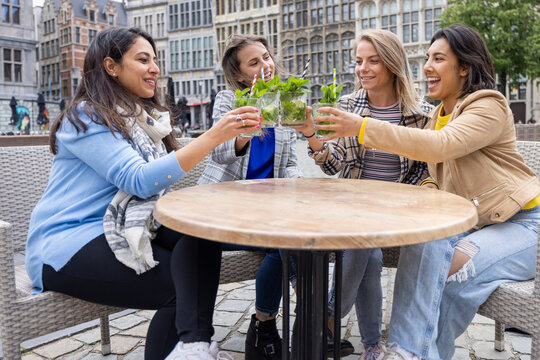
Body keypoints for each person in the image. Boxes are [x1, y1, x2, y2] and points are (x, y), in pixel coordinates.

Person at [26, 27, 261, 360]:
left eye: (155, 60)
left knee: (198, 229)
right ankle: (193, 345)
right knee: (179, 288)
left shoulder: (140, 121)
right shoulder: (86, 115)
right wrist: (213, 136)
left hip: (124, 228)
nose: (155, 68)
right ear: (111, 66)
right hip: (68, 242)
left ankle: (193, 346)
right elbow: (138, 180)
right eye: (143, 59)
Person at [314, 24, 540, 360]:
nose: (427, 67)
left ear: (464, 67)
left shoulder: (488, 104)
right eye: (427, 59)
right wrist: (426, 188)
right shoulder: (438, 115)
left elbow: (440, 148)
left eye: (438, 59)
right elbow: (435, 175)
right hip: (478, 226)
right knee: (429, 245)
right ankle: (412, 352)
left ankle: (407, 351)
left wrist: (361, 127)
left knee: (451, 270)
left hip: (523, 225)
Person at [296, 29, 433, 360]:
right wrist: (313, 136)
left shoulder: (421, 113)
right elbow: (334, 165)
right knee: (366, 252)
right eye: (359, 61)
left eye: (373, 61)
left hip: (398, 212)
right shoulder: (348, 105)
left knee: (364, 246)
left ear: (392, 63)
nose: (363, 68)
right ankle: (372, 344)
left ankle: (325, 317)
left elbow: (424, 172)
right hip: (354, 210)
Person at [197, 34, 302, 360]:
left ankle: (264, 323)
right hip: (225, 210)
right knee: (289, 243)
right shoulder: (228, 101)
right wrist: (249, 123)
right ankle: (303, 317)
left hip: (267, 212)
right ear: (240, 73)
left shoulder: (284, 102)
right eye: (254, 62)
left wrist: (299, 191)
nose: (265, 65)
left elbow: (291, 164)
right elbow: (219, 153)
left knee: (294, 236)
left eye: (267, 57)